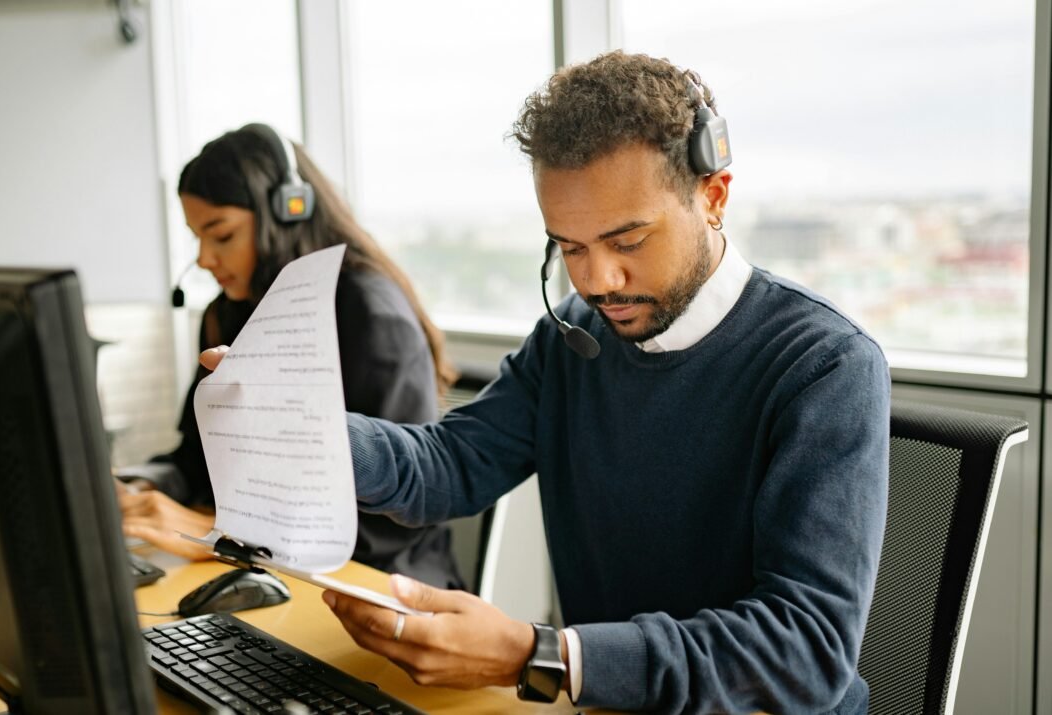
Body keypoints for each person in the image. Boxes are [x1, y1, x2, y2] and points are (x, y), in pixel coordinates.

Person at [203, 53, 889, 713]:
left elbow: (809, 649)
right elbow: (447, 465)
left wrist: (546, 655)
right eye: (569, 247)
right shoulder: (571, 339)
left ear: (713, 195)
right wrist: (309, 428)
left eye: (627, 242)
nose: (596, 281)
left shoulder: (826, 366)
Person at [118, 123, 466, 590]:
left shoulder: (371, 313)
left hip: (377, 583)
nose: (202, 259)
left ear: (288, 213)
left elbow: (391, 522)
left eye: (220, 235)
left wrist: (219, 533)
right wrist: (139, 487)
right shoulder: (228, 313)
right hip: (268, 572)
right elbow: (193, 461)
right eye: (196, 237)